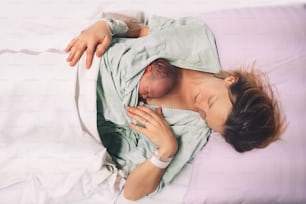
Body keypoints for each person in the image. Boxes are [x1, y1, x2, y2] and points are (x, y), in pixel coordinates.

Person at [65, 16, 284, 200]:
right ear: (231, 80)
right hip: (85, 59)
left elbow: (131, 192)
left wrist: (166, 150)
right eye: (209, 102)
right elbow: (140, 30)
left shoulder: (192, 132)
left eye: (204, 115)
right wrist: (106, 26)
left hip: (75, 117)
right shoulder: (198, 40)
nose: (198, 106)